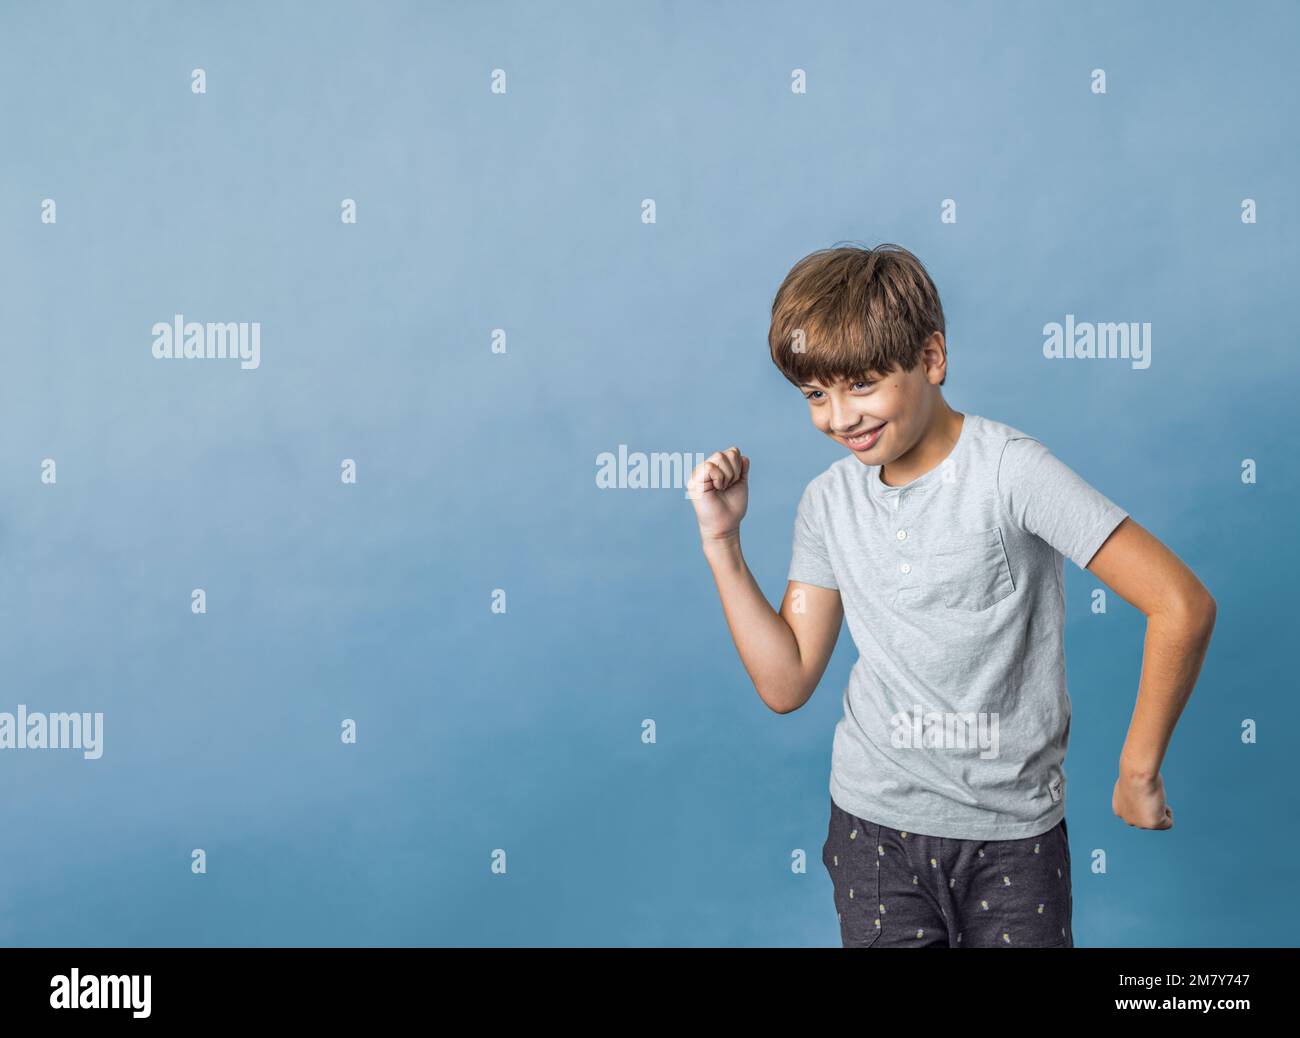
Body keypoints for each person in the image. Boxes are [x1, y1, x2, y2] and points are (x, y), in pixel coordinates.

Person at [687, 243, 1216, 948]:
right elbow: (786, 682)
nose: (839, 417)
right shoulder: (828, 502)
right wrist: (722, 544)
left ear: (931, 358)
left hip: (1012, 841)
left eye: (862, 385)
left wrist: (1138, 767)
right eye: (817, 394)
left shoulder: (1010, 474)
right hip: (872, 831)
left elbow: (1180, 603)